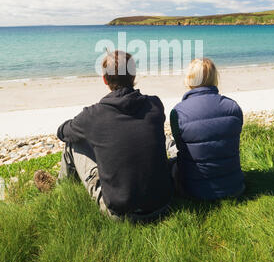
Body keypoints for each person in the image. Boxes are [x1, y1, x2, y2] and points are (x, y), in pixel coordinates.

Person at [52, 50, 173, 222]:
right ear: (133, 76)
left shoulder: (94, 115)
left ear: (105, 79)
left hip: (121, 214)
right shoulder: (155, 105)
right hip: (162, 204)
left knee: (72, 144)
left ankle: (60, 192)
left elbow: (63, 133)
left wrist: (86, 130)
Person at [169, 57, 245, 201]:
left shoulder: (178, 112)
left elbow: (181, 147)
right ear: (214, 77)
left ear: (189, 79)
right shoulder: (233, 107)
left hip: (194, 192)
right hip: (236, 188)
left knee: (172, 159)